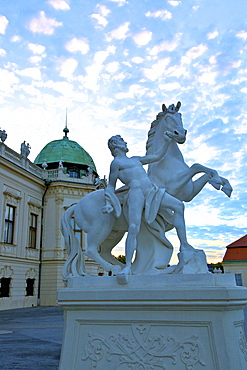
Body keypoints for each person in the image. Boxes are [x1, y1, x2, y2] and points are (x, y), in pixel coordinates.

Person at [103, 133, 194, 276]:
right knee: (134, 227)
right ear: (115, 146)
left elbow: (156, 156)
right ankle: (128, 266)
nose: (125, 142)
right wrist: (109, 202)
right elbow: (111, 185)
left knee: (179, 206)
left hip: (152, 191)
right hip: (136, 193)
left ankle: (185, 246)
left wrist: (166, 140)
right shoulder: (116, 163)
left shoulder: (135, 159)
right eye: (122, 141)